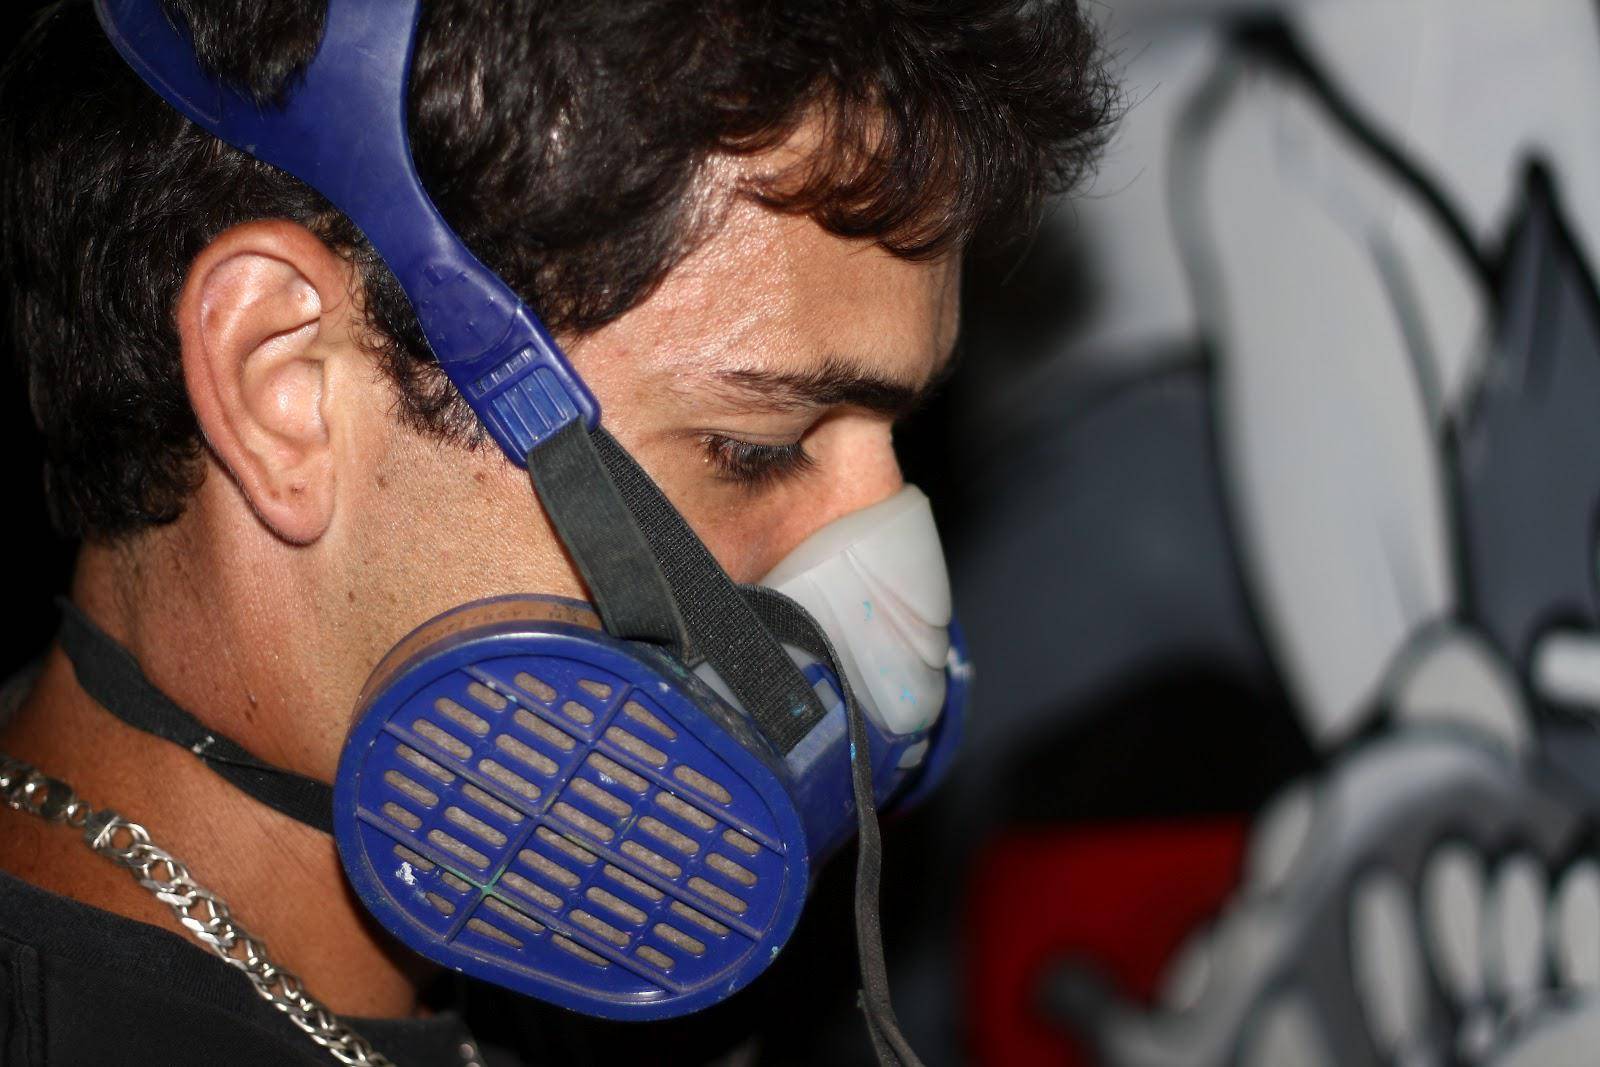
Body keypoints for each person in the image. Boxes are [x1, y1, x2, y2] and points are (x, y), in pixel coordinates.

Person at [0, 1, 1113, 1063]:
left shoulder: (574, 985)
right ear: (285, 393)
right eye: (756, 448)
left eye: (900, 435)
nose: (900, 623)